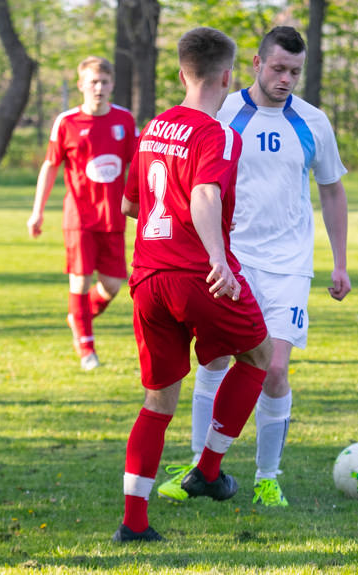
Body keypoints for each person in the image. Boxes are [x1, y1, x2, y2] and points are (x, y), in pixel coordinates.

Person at [156, 26, 351, 508]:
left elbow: (331, 190)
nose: (286, 79)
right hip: (230, 259)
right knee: (216, 360)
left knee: (275, 370)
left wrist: (340, 262)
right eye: (278, 68)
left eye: (295, 72)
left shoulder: (313, 122)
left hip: (287, 266)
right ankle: (201, 466)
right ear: (257, 64)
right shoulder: (223, 113)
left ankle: (267, 475)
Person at [112, 27, 274, 543]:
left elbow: (130, 206)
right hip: (196, 275)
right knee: (259, 355)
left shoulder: (153, 126)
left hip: (148, 279)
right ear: (229, 76)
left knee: (158, 401)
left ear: (182, 74)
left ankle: (133, 524)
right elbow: (205, 196)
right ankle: (207, 470)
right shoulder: (220, 133)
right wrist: (218, 259)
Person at [27, 56, 137, 371]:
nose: (99, 88)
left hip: (113, 217)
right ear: (81, 85)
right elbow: (50, 166)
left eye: (104, 82)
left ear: (112, 84)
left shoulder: (125, 121)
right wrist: (37, 212)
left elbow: (137, 166)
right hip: (79, 219)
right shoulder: (67, 122)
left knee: (114, 285)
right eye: (93, 82)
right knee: (80, 280)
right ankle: (87, 351)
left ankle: (79, 315)